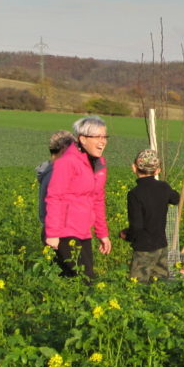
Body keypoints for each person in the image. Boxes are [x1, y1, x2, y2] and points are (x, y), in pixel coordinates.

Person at [44, 115, 113, 279]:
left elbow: (97, 199)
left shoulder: (98, 163)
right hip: (64, 232)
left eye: (105, 137)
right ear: (82, 139)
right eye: (97, 137)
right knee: (86, 279)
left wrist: (102, 233)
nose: (102, 141)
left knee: (75, 279)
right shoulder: (67, 162)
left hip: (84, 231)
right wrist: (53, 233)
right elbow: (54, 197)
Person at [121, 149, 180, 284]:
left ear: (134, 167)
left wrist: (127, 235)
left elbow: (136, 226)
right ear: (157, 170)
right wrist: (164, 188)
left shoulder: (134, 194)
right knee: (159, 286)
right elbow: (175, 199)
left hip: (143, 248)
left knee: (137, 286)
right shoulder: (164, 187)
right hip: (161, 245)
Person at [36, 130, 76, 240]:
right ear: (64, 151)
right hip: (61, 233)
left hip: (51, 231)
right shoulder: (58, 175)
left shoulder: (48, 171)